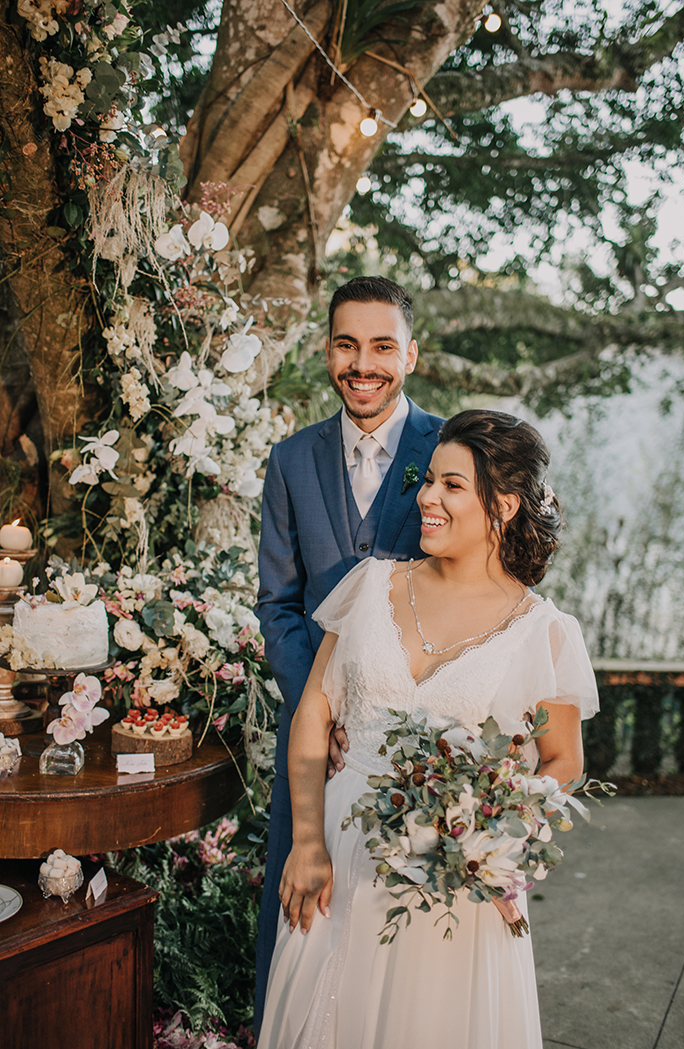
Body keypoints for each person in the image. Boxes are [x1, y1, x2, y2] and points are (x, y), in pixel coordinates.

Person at [257, 409, 599, 1049]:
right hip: (335, 852)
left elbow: (563, 761)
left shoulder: (544, 632)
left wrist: (491, 841)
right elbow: (314, 713)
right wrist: (306, 842)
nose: (427, 498)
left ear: (503, 507)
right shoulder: (370, 585)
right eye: (428, 480)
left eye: (452, 485)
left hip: (450, 887)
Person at [254, 276, 443, 1029]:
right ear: (327, 350)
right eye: (346, 345)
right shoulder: (290, 460)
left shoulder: (452, 450)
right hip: (314, 740)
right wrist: (319, 708)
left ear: (411, 355)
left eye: (382, 346)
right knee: (304, 916)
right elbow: (278, 603)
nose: (362, 365)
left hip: (416, 741)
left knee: (406, 934)